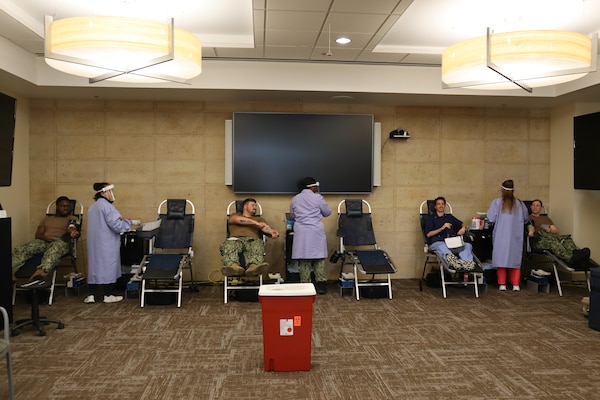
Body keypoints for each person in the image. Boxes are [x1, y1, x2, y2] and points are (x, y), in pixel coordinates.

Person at [85, 182, 135, 304]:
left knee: (95, 268)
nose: (112, 194)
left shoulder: (93, 207)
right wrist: (131, 223)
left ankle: (91, 295)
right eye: (109, 191)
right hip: (106, 244)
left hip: (94, 244)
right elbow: (117, 226)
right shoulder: (107, 207)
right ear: (103, 193)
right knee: (108, 268)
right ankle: (108, 295)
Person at [11, 196, 80, 281]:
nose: (66, 208)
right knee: (22, 248)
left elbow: (72, 227)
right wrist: (45, 237)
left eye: (68, 206)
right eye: (63, 206)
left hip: (61, 242)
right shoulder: (46, 219)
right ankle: (11, 271)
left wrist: (72, 232)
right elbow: (38, 235)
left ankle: (40, 273)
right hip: (45, 241)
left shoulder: (72, 218)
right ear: (57, 207)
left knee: (55, 248)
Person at [289, 177, 332, 294]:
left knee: (304, 259)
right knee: (319, 259)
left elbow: (292, 215)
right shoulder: (317, 197)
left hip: (301, 232)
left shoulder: (295, 199)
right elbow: (327, 212)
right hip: (315, 231)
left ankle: (305, 286)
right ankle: (321, 286)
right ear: (313, 187)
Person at [486, 179, 529, 291]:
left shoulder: (497, 202)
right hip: (516, 237)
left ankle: (502, 284)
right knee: (515, 260)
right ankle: (515, 284)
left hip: (501, 236)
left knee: (501, 258)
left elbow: (491, 218)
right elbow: (525, 218)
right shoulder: (520, 204)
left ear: (502, 189)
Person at [220, 198, 279, 277]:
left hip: (252, 240)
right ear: (245, 206)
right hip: (235, 240)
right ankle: (234, 267)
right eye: (253, 205)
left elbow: (265, 227)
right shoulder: (235, 215)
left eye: (256, 206)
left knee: (257, 244)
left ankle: (253, 267)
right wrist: (256, 223)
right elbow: (236, 220)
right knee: (229, 245)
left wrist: (271, 231)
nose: (255, 207)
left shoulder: (259, 219)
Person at [527, 199, 591, 265]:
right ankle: (570, 259)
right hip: (540, 239)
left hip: (552, 236)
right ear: (531, 207)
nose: (535, 207)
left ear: (541, 208)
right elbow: (530, 226)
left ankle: (577, 254)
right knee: (554, 243)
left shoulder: (546, 218)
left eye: (537, 205)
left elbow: (556, 230)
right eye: (533, 205)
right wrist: (531, 232)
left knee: (566, 240)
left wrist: (550, 229)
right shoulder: (528, 218)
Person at [425, 196, 475, 270]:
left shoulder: (449, 217)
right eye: (438, 204)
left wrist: (463, 228)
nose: (441, 206)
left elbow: (462, 223)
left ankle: (467, 263)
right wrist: (442, 228)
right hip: (438, 242)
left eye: (442, 204)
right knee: (442, 246)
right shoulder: (430, 218)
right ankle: (453, 262)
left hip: (451, 242)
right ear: (435, 206)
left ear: (445, 206)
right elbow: (428, 234)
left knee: (467, 245)